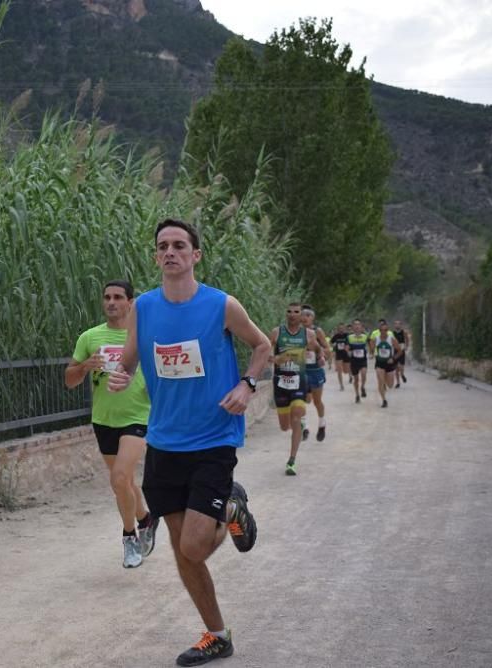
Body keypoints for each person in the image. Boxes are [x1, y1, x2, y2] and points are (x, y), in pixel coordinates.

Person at [107, 219, 270, 666]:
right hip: (164, 442)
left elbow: (261, 346)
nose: (171, 252)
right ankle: (217, 635)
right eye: (163, 246)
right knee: (184, 552)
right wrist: (122, 373)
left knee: (195, 546)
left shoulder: (221, 305)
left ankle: (231, 507)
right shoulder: (143, 306)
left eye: (180, 245)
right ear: (156, 256)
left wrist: (247, 385)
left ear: (196, 255)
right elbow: (132, 353)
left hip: (213, 438)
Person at [66, 280, 157, 569]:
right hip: (104, 419)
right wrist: (84, 367)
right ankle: (145, 518)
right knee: (125, 483)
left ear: (131, 302)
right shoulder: (90, 337)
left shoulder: (144, 336)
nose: (111, 302)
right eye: (107, 297)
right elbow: (69, 379)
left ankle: (129, 538)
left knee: (119, 478)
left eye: (118, 297)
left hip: (139, 416)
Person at [269, 303, 323, 475]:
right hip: (281, 382)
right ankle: (297, 428)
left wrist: (320, 357)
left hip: (299, 381)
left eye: (296, 312)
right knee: (285, 426)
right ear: (286, 314)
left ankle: (292, 460)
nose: (292, 314)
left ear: (301, 315)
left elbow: (318, 348)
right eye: (289, 311)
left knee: (298, 414)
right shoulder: (277, 332)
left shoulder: (309, 334)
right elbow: (267, 355)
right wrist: (277, 359)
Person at [300, 305, 332, 442]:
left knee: (317, 401)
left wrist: (323, 356)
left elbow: (327, 348)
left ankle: (322, 424)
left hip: (315, 371)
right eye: (303, 314)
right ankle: (305, 428)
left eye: (308, 315)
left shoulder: (317, 331)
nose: (305, 317)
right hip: (301, 371)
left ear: (313, 318)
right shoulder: (295, 332)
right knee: (302, 400)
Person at [369, 319, 400, 408]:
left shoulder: (392, 339)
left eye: (385, 330)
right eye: (382, 330)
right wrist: (371, 353)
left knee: (390, 385)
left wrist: (393, 358)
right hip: (379, 363)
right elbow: (371, 348)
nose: (384, 332)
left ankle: (386, 384)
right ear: (379, 331)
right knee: (381, 381)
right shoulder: (376, 339)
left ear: (388, 330)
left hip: (389, 364)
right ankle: (384, 400)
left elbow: (399, 351)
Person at [347, 319, 370, 403]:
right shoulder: (349, 337)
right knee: (356, 379)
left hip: (363, 360)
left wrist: (371, 352)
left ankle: (363, 387)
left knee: (364, 374)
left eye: (358, 325)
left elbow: (370, 344)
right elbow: (347, 347)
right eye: (355, 325)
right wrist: (348, 351)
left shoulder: (365, 336)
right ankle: (357, 395)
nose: (357, 326)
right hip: (354, 361)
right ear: (353, 327)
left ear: (361, 327)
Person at [330, 323, 350, 391]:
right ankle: (341, 385)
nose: (341, 330)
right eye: (340, 328)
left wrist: (349, 348)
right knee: (339, 370)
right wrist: (333, 345)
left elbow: (350, 343)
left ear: (344, 329)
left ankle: (350, 375)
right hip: (339, 354)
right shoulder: (336, 336)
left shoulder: (347, 335)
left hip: (346, 354)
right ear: (338, 329)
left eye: (342, 328)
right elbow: (331, 342)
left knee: (346, 371)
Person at [392, 319, 411, 387]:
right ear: (394, 325)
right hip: (395, 351)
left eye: (398, 324)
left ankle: (402, 374)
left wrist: (406, 346)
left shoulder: (403, 332)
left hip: (402, 350)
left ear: (401, 325)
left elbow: (407, 339)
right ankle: (398, 383)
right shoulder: (392, 333)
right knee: (396, 368)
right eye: (396, 324)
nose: (397, 325)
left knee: (401, 366)